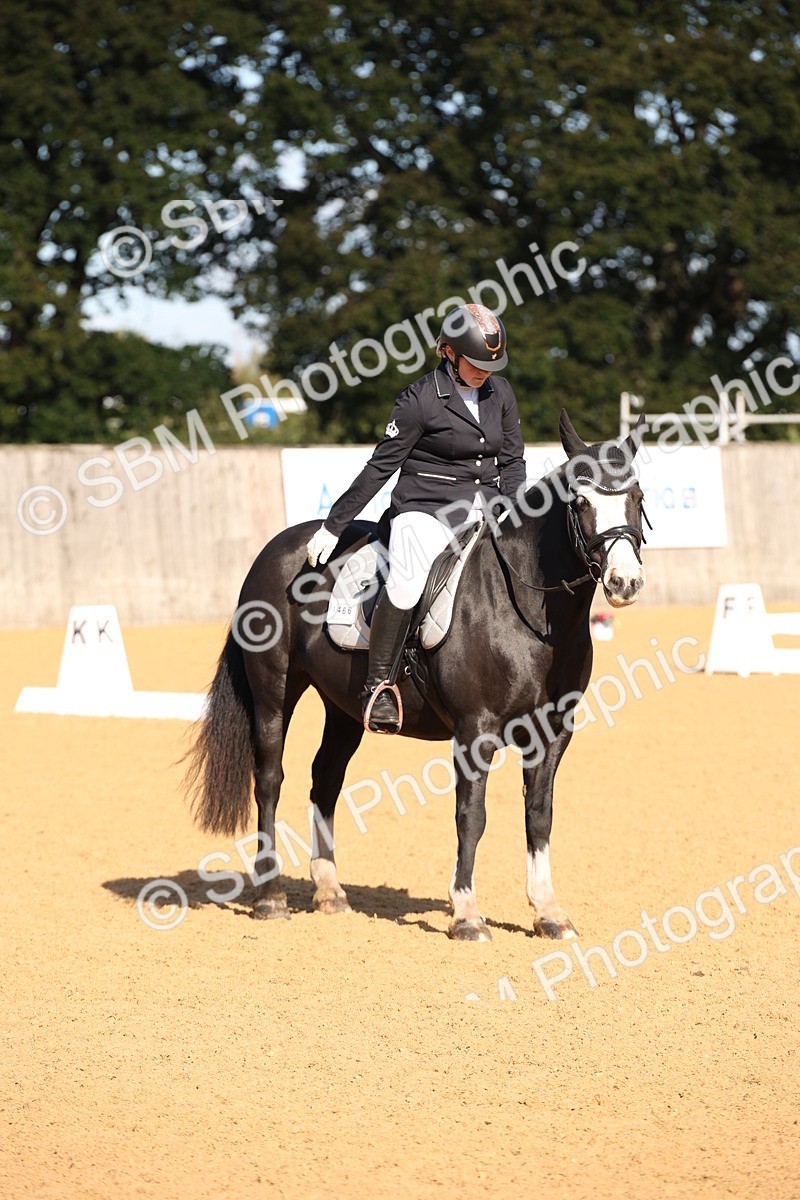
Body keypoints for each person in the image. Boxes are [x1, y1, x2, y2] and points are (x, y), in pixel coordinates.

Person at [306, 302, 526, 733]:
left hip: (486, 509)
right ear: (448, 353)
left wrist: (515, 511)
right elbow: (379, 468)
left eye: (491, 364)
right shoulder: (419, 399)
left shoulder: (500, 393)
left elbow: (512, 461)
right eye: (477, 363)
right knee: (406, 581)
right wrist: (334, 524)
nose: (485, 372)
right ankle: (379, 686)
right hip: (426, 508)